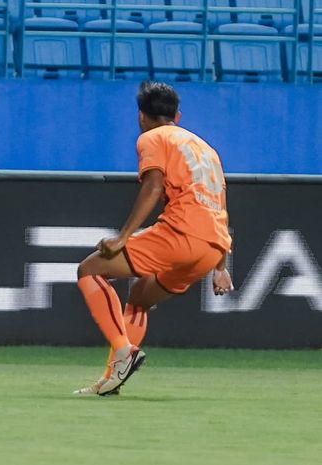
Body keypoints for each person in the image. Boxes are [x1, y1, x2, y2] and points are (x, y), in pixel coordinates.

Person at [74, 81, 233, 396]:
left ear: (141, 117)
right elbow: (218, 204)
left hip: (181, 231)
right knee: (140, 298)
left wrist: (123, 237)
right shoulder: (206, 149)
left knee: (89, 270)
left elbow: (153, 186)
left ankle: (123, 350)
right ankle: (112, 378)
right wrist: (220, 265)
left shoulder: (152, 137)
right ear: (178, 114)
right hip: (212, 246)